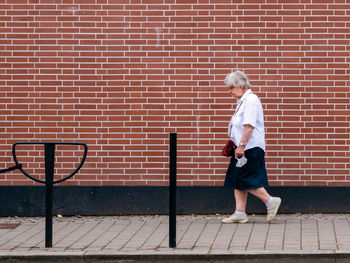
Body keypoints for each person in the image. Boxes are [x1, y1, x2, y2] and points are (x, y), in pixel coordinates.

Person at [222, 70, 281, 223]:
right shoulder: (243, 101)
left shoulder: (251, 100)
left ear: (240, 86)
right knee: (237, 178)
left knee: (244, 179)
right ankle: (240, 213)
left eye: (231, 88)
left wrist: (241, 146)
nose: (230, 92)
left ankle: (270, 201)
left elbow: (249, 126)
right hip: (242, 147)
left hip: (249, 148)